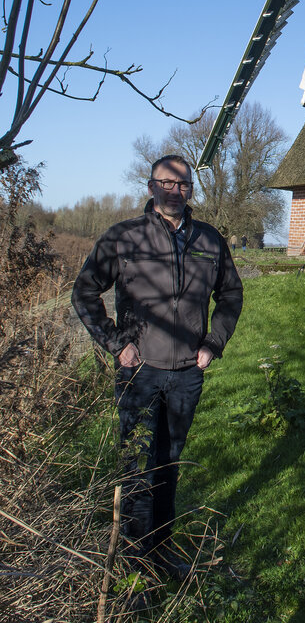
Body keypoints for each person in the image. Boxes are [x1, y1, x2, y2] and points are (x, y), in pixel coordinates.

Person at [71, 155, 243, 580]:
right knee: (136, 468)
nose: (176, 191)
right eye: (167, 183)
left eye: (183, 185)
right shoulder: (125, 238)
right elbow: (84, 292)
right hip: (140, 372)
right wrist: (116, 343)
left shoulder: (208, 239)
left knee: (168, 465)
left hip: (186, 374)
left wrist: (212, 344)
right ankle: (133, 566)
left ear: (190, 191)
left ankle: (162, 557)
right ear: (151, 187)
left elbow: (231, 295)